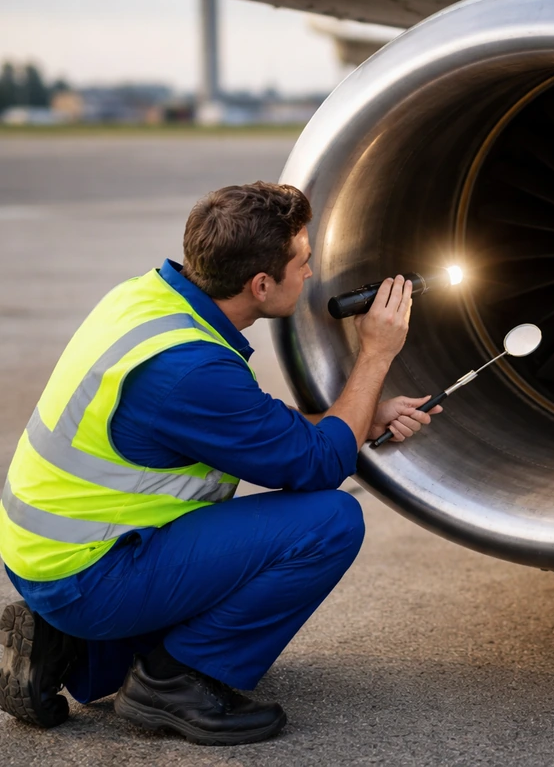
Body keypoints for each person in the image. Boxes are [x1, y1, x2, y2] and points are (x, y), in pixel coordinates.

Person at [0, 182, 441, 746]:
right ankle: (172, 682)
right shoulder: (190, 372)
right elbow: (320, 465)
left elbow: (245, 421)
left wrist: (362, 416)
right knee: (329, 523)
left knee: (233, 551)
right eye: (303, 262)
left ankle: (64, 647)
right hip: (88, 576)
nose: (310, 274)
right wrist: (376, 353)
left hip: (47, 551)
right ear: (260, 284)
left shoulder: (147, 301)